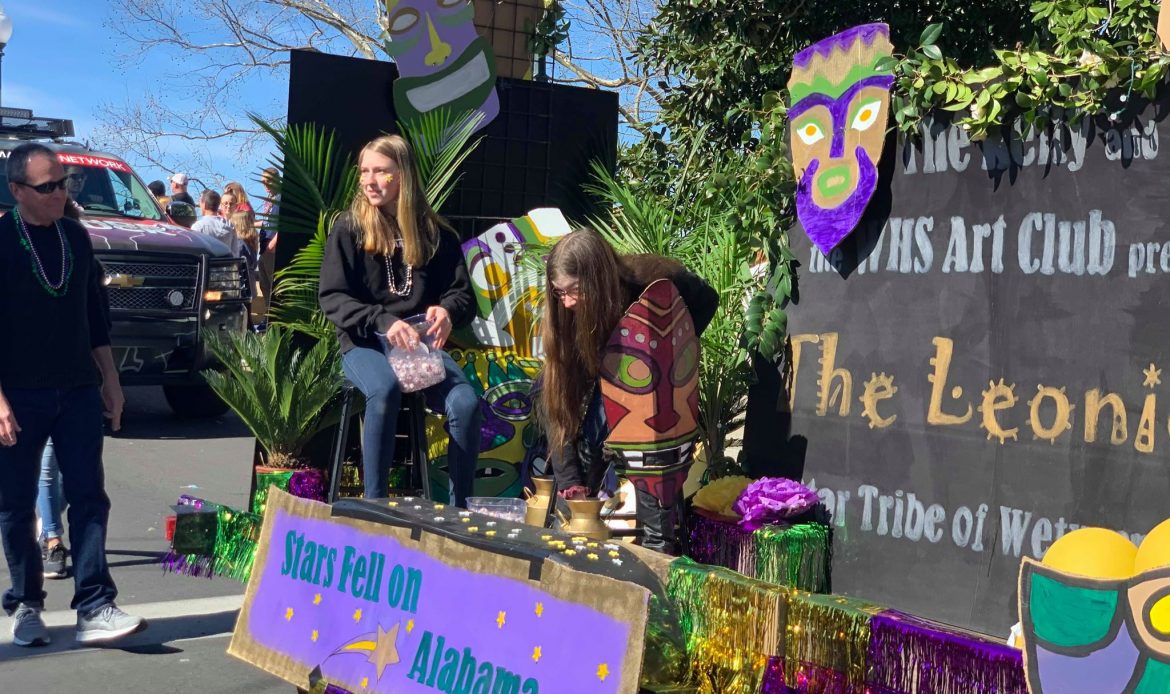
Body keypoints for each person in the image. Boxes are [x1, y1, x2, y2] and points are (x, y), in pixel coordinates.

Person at [0, 143, 145, 647]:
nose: (60, 193)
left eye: (64, 183)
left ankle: (95, 604)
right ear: (17, 190)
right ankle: (25, 603)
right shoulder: (2, 239)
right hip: (19, 393)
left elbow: (94, 317)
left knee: (88, 496)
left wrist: (111, 381)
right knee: (16, 504)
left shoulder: (76, 237)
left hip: (78, 388)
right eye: (48, 187)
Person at [319, 135, 481, 507]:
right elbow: (333, 296)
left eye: (380, 171)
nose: (369, 181)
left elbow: (462, 296)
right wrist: (384, 321)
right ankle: (376, 508)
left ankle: (460, 512)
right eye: (364, 172)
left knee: (466, 403)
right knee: (385, 389)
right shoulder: (349, 228)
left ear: (403, 176)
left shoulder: (436, 235)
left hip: (419, 349)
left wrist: (447, 310)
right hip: (364, 343)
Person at [536, 229, 718, 550]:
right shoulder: (564, 318)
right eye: (559, 292)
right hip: (600, 378)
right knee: (587, 442)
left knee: (648, 448)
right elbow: (558, 408)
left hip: (650, 388)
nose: (567, 302)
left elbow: (707, 300)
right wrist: (571, 484)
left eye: (574, 290)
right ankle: (571, 528)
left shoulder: (652, 280)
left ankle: (657, 547)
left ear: (598, 279)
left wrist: (668, 353)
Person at [192, 189, 241, 257]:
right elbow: (235, 254)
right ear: (218, 205)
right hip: (226, 263)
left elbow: (194, 253)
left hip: (205, 263)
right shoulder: (229, 225)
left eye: (200, 202)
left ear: (204, 204)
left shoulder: (197, 227)